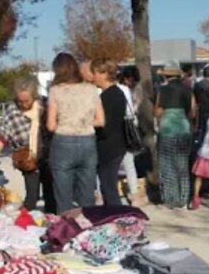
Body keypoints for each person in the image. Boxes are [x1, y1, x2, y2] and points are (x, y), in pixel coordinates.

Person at [0, 77, 56, 214]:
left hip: (49, 157)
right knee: (32, 196)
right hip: (27, 159)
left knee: (51, 196)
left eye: (26, 101)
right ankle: (25, 221)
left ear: (34, 96)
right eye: (20, 101)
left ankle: (51, 222)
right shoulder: (12, 111)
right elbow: (2, 138)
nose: (23, 105)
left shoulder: (45, 105)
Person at [46, 53, 105, 210]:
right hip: (88, 142)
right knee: (87, 196)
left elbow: (51, 126)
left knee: (63, 196)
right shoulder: (91, 89)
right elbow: (101, 121)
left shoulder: (55, 91)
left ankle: (65, 230)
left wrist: (67, 121)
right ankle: (87, 230)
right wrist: (83, 121)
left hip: (63, 142)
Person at [155, 62, 197, 209]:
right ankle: (184, 199)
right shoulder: (188, 90)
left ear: (166, 75)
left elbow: (158, 112)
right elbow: (192, 112)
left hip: (167, 130)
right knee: (183, 164)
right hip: (184, 129)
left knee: (167, 164)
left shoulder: (163, 90)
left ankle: (170, 199)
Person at [91, 59, 129, 207]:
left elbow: (105, 124)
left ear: (104, 73)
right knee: (108, 187)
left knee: (108, 188)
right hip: (116, 145)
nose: (93, 76)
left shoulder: (107, 96)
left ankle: (117, 219)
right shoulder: (117, 93)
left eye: (95, 73)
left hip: (109, 147)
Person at [118, 66, 145, 205]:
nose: (130, 82)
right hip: (129, 124)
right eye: (129, 79)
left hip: (127, 125)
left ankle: (131, 192)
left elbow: (136, 106)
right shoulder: (127, 89)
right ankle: (133, 193)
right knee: (128, 161)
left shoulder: (132, 89)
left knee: (127, 161)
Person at [193, 67, 209, 141]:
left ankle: (200, 146)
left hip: (200, 110)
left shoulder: (197, 85)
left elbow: (195, 98)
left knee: (201, 129)